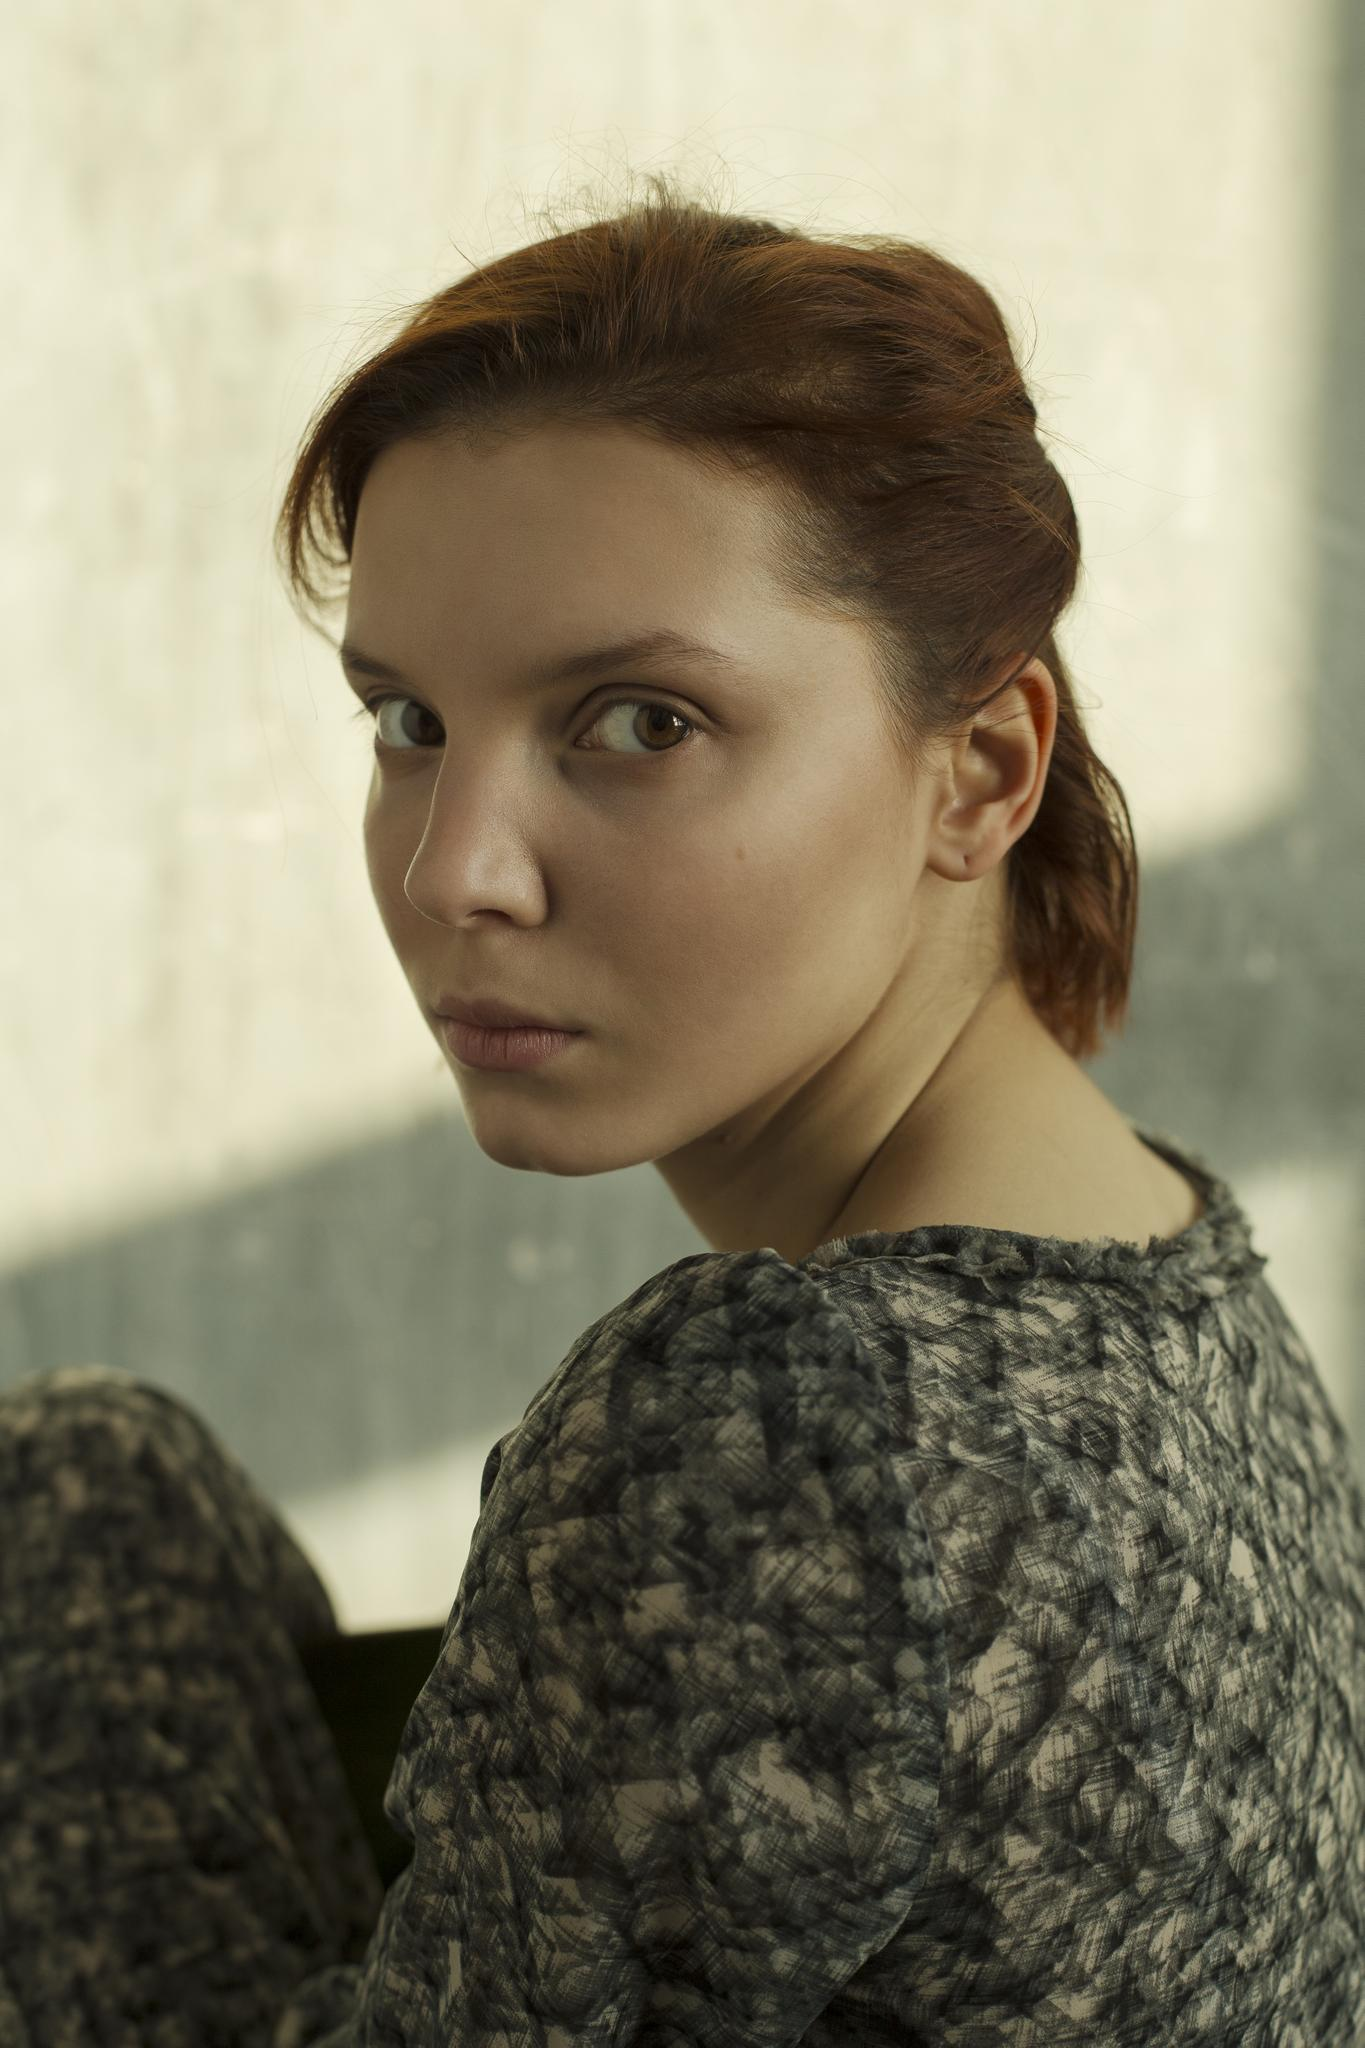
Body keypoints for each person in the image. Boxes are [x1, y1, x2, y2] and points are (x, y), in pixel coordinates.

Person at [4, 178, 1362, 2044]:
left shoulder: (784, 1411)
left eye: (642, 722)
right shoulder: (1183, 1272)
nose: (456, 869)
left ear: (982, 771)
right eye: (407, 723)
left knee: (69, 1497)